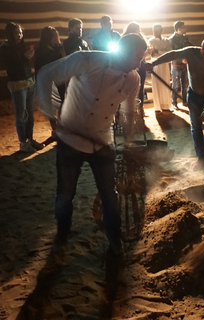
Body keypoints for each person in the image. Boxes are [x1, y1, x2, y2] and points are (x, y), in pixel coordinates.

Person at [36, 34, 147, 259]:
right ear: (124, 52)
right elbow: (46, 74)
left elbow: (128, 112)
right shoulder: (86, 60)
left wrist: (129, 140)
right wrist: (51, 116)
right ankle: (62, 236)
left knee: (110, 194)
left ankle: (115, 240)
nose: (139, 63)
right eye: (137, 57)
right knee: (65, 195)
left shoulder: (133, 78)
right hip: (71, 141)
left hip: (103, 142)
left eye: (141, 58)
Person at [145, 37, 204, 169]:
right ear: (201, 51)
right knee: (195, 127)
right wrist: (154, 63)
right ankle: (202, 158)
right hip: (193, 96)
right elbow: (172, 54)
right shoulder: (191, 53)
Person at [0, 22, 43, 153]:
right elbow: (12, 66)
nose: (19, 35)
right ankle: (23, 143)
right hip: (18, 85)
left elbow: (24, 64)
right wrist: (24, 57)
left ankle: (30, 139)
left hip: (29, 82)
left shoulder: (20, 46)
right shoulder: (5, 48)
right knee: (21, 115)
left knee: (30, 114)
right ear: (9, 34)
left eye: (20, 32)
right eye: (16, 33)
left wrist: (28, 59)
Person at [34, 26, 66, 142]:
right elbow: (40, 65)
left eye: (56, 36)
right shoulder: (41, 50)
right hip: (48, 81)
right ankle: (55, 130)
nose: (56, 38)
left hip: (60, 79)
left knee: (63, 102)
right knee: (50, 106)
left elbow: (63, 61)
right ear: (48, 38)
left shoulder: (59, 48)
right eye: (54, 36)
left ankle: (61, 128)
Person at [122, 21, 150, 111]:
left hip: (141, 65)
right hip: (128, 66)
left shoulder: (141, 39)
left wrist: (146, 54)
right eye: (137, 29)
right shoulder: (125, 38)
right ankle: (127, 109)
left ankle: (140, 108)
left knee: (140, 86)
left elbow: (144, 52)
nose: (138, 31)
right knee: (128, 86)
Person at [148, 24, 172, 113]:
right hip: (155, 64)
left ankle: (166, 105)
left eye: (157, 30)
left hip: (164, 64)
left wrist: (158, 51)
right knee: (156, 84)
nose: (155, 32)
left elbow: (169, 52)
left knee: (165, 83)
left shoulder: (167, 41)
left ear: (161, 31)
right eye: (154, 30)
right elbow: (153, 54)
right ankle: (158, 106)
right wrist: (161, 52)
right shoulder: (150, 41)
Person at [168, 21, 192, 108]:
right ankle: (174, 103)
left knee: (184, 85)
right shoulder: (171, 39)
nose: (185, 29)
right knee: (175, 85)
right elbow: (172, 53)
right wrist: (181, 60)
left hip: (185, 64)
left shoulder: (185, 38)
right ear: (179, 29)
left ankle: (184, 101)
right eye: (184, 27)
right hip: (176, 65)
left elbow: (190, 47)